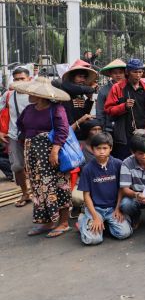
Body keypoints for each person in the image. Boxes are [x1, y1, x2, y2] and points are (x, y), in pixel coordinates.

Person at [16, 77, 73, 238]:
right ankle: (46, 222)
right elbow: (21, 126)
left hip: (51, 154)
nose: (29, 94)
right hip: (33, 154)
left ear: (41, 95)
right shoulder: (29, 109)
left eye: (33, 92)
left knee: (58, 186)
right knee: (38, 187)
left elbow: (63, 130)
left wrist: (54, 150)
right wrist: (28, 145)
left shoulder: (56, 109)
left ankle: (63, 222)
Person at [77, 133, 132, 245]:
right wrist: (95, 216)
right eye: (98, 148)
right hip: (95, 209)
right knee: (94, 240)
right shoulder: (88, 169)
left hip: (112, 208)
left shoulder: (118, 164)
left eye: (105, 148)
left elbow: (121, 189)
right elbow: (86, 195)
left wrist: (118, 209)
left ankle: (105, 224)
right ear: (92, 149)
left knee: (124, 233)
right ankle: (83, 220)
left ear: (110, 148)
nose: (102, 151)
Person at [104, 58, 145, 160]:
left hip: (144, 134)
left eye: (140, 72)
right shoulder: (117, 88)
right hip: (123, 136)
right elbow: (108, 110)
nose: (138, 75)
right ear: (127, 72)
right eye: (135, 72)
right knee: (124, 163)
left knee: (144, 163)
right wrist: (124, 106)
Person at [0, 67, 31, 207]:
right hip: (13, 135)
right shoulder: (8, 95)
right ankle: (25, 193)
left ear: (29, 79)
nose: (19, 81)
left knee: (37, 167)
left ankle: (39, 195)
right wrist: (1, 130)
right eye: (16, 79)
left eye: (22, 79)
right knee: (17, 166)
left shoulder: (35, 94)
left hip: (33, 136)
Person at [118, 134, 145, 229]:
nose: (144, 156)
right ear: (133, 152)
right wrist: (137, 195)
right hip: (137, 195)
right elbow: (125, 189)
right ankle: (136, 216)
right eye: (140, 153)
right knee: (126, 204)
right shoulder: (127, 163)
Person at [55, 60, 98, 137]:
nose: (83, 80)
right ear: (72, 77)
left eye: (84, 77)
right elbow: (82, 89)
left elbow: (85, 113)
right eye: (80, 77)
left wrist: (90, 98)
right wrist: (91, 89)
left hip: (79, 129)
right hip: (66, 130)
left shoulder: (80, 94)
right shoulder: (65, 85)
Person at [96, 59, 126, 136]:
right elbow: (100, 112)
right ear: (110, 74)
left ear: (125, 73)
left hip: (126, 127)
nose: (118, 75)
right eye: (115, 73)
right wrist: (102, 129)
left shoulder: (129, 88)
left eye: (120, 72)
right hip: (109, 129)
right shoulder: (104, 90)